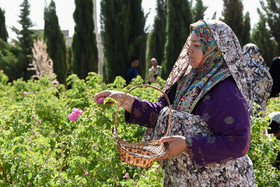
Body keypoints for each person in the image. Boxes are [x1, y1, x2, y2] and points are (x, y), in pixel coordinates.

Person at [94, 20, 255, 186]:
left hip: (219, 181)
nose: (189, 49)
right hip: (186, 179)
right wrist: (126, 100)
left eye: (197, 45)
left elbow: (239, 142)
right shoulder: (186, 80)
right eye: (189, 43)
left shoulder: (225, 90)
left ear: (215, 50)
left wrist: (188, 144)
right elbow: (162, 111)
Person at [242, 43, 273, 117]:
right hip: (260, 106)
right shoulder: (263, 69)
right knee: (259, 125)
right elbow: (270, 83)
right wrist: (264, 98)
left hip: (245, 107)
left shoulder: (241, 70)